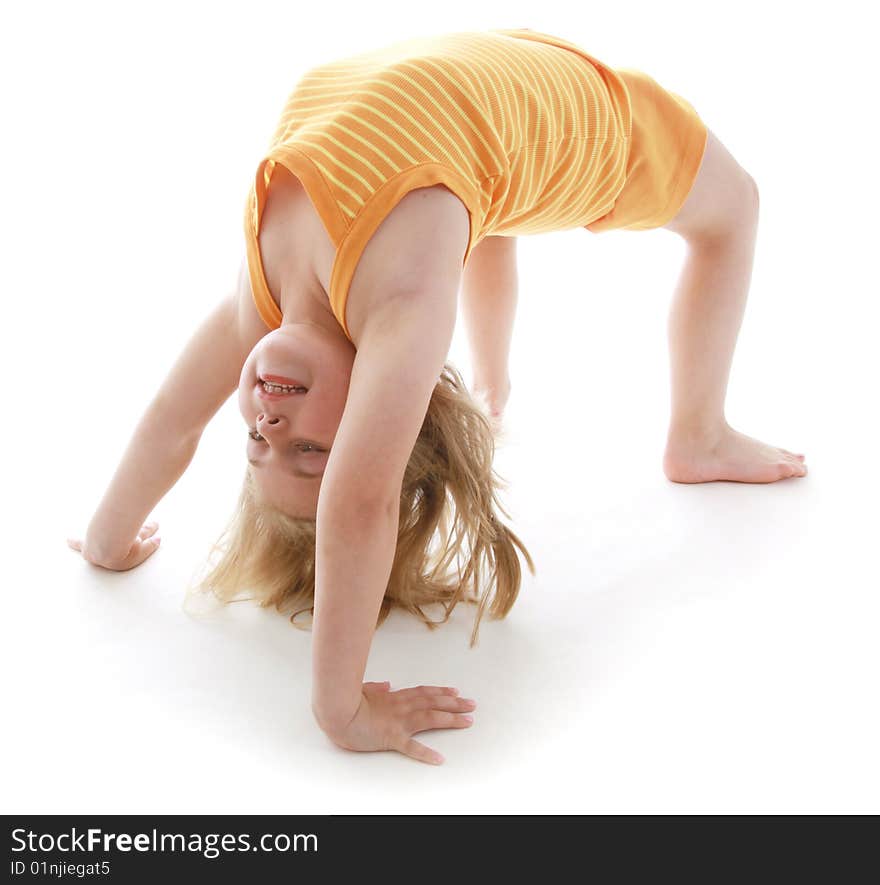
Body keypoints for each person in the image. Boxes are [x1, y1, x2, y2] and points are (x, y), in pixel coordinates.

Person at [67, 27, 807, 766]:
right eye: (308, 449)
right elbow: (359, 503)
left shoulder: (267, 302)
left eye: (256, 443)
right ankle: (698, 434)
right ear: (376, 417)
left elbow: (172, 421)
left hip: (474, 98)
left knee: (473, 209)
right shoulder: (401, 300)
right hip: (581, 115)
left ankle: (493, 378)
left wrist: (108, 539)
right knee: (734, 207)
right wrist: (340, 704)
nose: (267, 421)